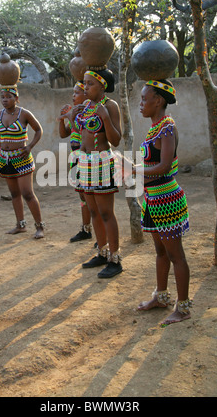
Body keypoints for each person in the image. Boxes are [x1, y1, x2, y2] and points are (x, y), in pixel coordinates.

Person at [119, 79, 191, 325]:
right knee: (161, 252)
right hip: (153, 199)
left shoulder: (167, 128)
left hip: (167, 199)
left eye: (143, 99)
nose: (140, 104)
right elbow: (152, 166)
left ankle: (183, 308)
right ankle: (161, 297)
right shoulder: (156, 128)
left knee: (176, 255)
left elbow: (163, 167)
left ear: (157, 100)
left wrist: (133, 169)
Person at [72, 68, 122, 278]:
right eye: (84, 83)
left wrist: (106, 118)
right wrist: (72, 116)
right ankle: (102, 252)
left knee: (106, 213)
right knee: (93, 212)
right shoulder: (85, 106)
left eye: (90, 83)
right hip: (84, 162)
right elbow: (79, 132)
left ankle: (115, 259)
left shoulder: (110, 106)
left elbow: (116, 139)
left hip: (102, 162)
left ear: (102, 86)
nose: (85, 87)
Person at [0, 85, 45, 239]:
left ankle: (39, 226)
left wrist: (29, 146)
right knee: (14, 194)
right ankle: (20, 225)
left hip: (21, 159)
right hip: (5, 159)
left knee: (27, 193)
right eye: (3, 97)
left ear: (16, 98)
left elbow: (38, 130)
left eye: (8, 96)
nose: (5, 100)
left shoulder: (24, 114)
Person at [58, 81, 92, 243]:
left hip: (85, 157)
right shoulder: (75, 112)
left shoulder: (87, 113)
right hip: (75, 157)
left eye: (76, 93)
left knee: (90, 195)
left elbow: (82, 131)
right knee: (82, 195)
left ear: (86, 94)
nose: (73, 96)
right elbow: (64, 134)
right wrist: (61, 119)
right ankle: (86, 229)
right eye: (73, 93)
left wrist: (71, 117)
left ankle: (97, 232)